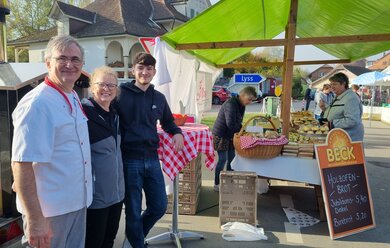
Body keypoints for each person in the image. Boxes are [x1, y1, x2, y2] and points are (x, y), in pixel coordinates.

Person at [11, 35, 92, 248]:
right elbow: (21, 163)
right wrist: (36, 220)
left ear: (82, 64)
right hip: (49, 213)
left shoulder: (72, 95)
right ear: (48, 62)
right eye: (62, 58)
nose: (69, 64)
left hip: (76, 204)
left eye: (75, 59)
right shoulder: (37, 103)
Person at [114, 52, 184, 248]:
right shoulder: (120, 94)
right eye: (140, 68)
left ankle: (135, 237)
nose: (144, 72)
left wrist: (177, 132)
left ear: (154, 72)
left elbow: (169, 122)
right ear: (133, 70)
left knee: (159, 206)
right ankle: (137, 244)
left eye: (149, 69)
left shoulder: (159, 98)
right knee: (133, 209)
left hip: (152, 159)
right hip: (129, 160)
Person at [82, 66, 124, 248]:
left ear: (116, 90)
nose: (106, 89)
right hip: (96, 197)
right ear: (92, 87)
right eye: (101, 84)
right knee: (94, 242)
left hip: (116, 194)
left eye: (111, 85)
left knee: (109, 240)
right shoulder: (83, 113)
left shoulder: (114, 115)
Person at [212, 86, 257, 192]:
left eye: (252, 100)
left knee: (232, 160)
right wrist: (242, 133)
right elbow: (230, 124)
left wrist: (243, 131)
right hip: (221, 135)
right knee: (223, 160)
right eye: (249, 99)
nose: (250, 102)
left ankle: (228, 182)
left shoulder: (242, 105)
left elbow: (238, 122)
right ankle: (217, 183)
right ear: (242, 95)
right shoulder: (230, 104)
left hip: (231, 136)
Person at [323, 72, 364, 141]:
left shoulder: (351, 98)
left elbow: (352, 120)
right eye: (331, 84)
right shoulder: (339, 96)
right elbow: (336, 112)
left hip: (348, 139)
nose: (332, 86)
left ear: (344, 84)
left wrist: (331, 123)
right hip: (338, 137)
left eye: (335, 84)